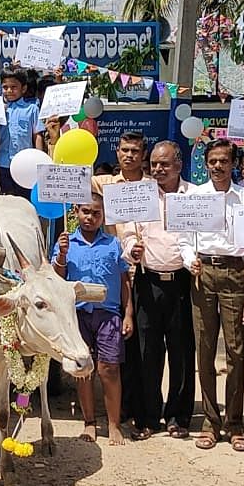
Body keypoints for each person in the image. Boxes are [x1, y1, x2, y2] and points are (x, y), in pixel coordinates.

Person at [179, 139, 244, 451]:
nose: (217, 166)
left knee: (236, 350)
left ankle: (235, 423)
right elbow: (183, 238)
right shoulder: (195, 196)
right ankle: (210, 421)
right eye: (212, 161)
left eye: (223, 161)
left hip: (236, 274)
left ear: (233, 163)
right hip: (203, 274)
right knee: (205, 349)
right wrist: (190, 260)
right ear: (205, 163)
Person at [118, 141, 196, 439]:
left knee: (182, 352)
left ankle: (178, 416)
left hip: (182, 283)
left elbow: (200, 235)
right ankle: (148, 415)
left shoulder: (194, 196)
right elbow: (126, 233)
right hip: (148, 283)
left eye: (164, 164)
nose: (158, 169)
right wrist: (131, 249)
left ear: (178, 164)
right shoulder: (140, 194)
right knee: (147, 352)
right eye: (154, 164)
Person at [54, 192, 133, 445]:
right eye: (85, 211)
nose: (90, 217)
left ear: (103, 216)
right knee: (83, 368)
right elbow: (56, 278)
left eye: (96, 213)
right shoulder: (65, 242)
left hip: (108, 314)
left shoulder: (113, 244)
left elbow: (124, 281)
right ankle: (89, 422)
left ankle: (113, 424)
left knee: (109, 369)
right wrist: (62, 256)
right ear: (75, 212)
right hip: (76, 314)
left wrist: (128, 313)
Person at [91, 132, 147, 428]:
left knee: (142, 345)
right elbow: (75, 188)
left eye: (135, 150)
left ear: (143, 154)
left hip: (148, 270)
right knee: (118, 342)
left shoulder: (152, 188)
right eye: (125, 150)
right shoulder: (103, 184)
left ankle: (143, 408)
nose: (129, 155)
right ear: (117, 152)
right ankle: (119, 410)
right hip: (116, 272)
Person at [0, 66, 43, 197]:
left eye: (14, 87)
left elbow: (37, 135)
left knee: (25, 199)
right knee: (8, 200)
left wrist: (38, 160)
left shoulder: (32, 109)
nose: (9, 91)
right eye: (5, 87)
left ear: (23, 88)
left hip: (26, 165)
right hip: (4, 163)